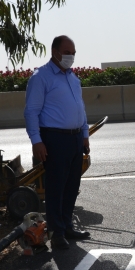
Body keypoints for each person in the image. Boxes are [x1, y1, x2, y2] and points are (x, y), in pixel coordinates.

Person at [24, 35, 91, 249]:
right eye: (67, 52)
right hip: (54, 138)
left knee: (72, 186)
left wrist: (85, 135)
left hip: (75, 139)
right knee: (56, 187)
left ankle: (67, 226)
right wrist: (37, 141)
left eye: (73, 53)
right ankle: (56, 232)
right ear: (55, 52)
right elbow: (31, 112)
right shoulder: (41, 77)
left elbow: (80, 108)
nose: (71, 56)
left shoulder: (73, 78)